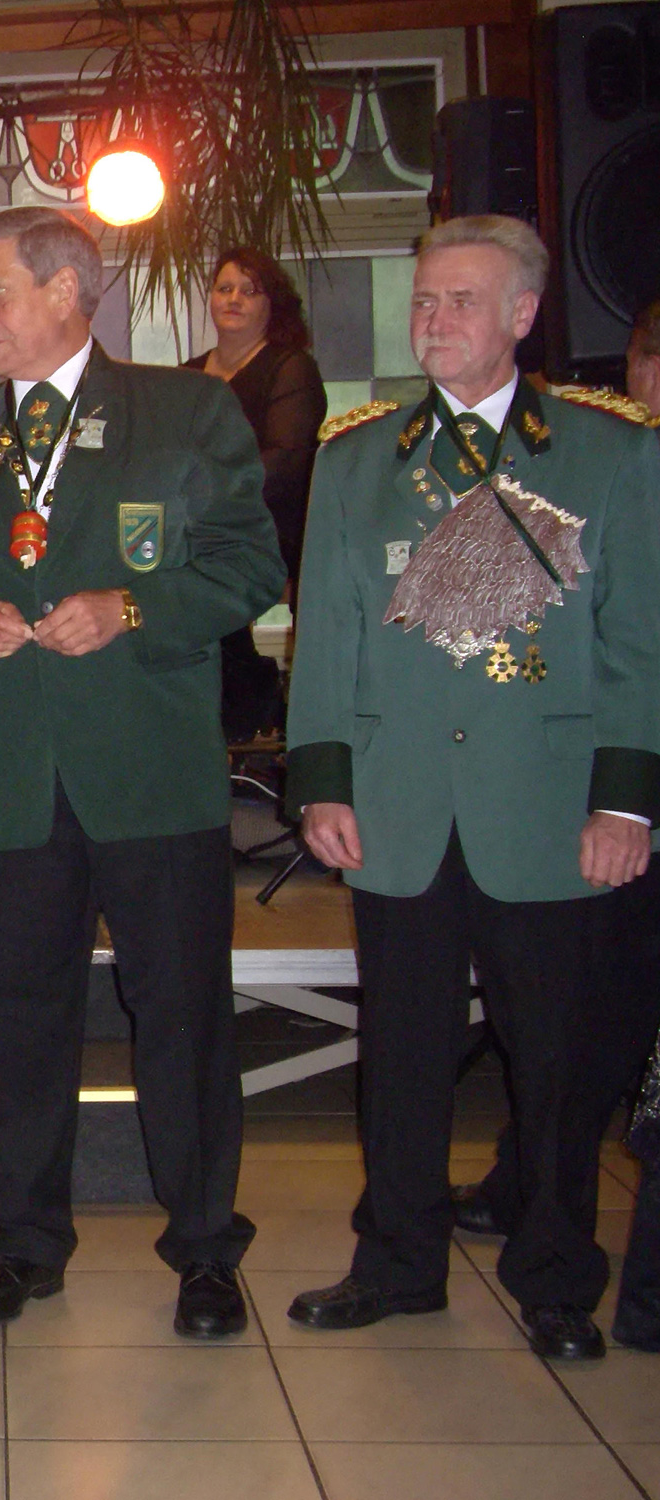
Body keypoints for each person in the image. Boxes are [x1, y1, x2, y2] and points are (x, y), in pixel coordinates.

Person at [0, 206, 283, 1340]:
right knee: (21, 1020)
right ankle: (23, 1247)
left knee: (182, 1017)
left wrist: (132, 606)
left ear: (69, 290)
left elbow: (248, 566)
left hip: (149, 769)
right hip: (17, 772)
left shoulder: (183, 411)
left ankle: (205, 1250)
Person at [283, 217, 660, 1361]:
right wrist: (320, 784)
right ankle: (393, 1263)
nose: (432, 319)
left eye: (458, 300)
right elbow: (326, 636)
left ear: (520, 315)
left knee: (552, 1063)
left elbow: (637, 642)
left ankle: (553, 1277)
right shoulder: (357, 456)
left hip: (542, 805)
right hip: (396, 804)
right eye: (423, 300)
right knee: (399, 1055)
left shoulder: (603, 450)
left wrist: (624, 802)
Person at [447, 295, 660, 1357]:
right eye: (649, 361)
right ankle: (531, 1196)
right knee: (588, 1034)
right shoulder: (592, 459)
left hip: (625, 788)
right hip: (596, 796)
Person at [184, 248, 327, 740]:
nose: (234, 299)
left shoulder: (291, 367)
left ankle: (248, 703)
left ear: (272, 304)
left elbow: (285, 462)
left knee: (202, 564)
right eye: (225, 288)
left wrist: (201, 495)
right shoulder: (186, 375)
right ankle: (216, 708)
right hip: (200, 522)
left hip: (275, 523)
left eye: (249, 291)